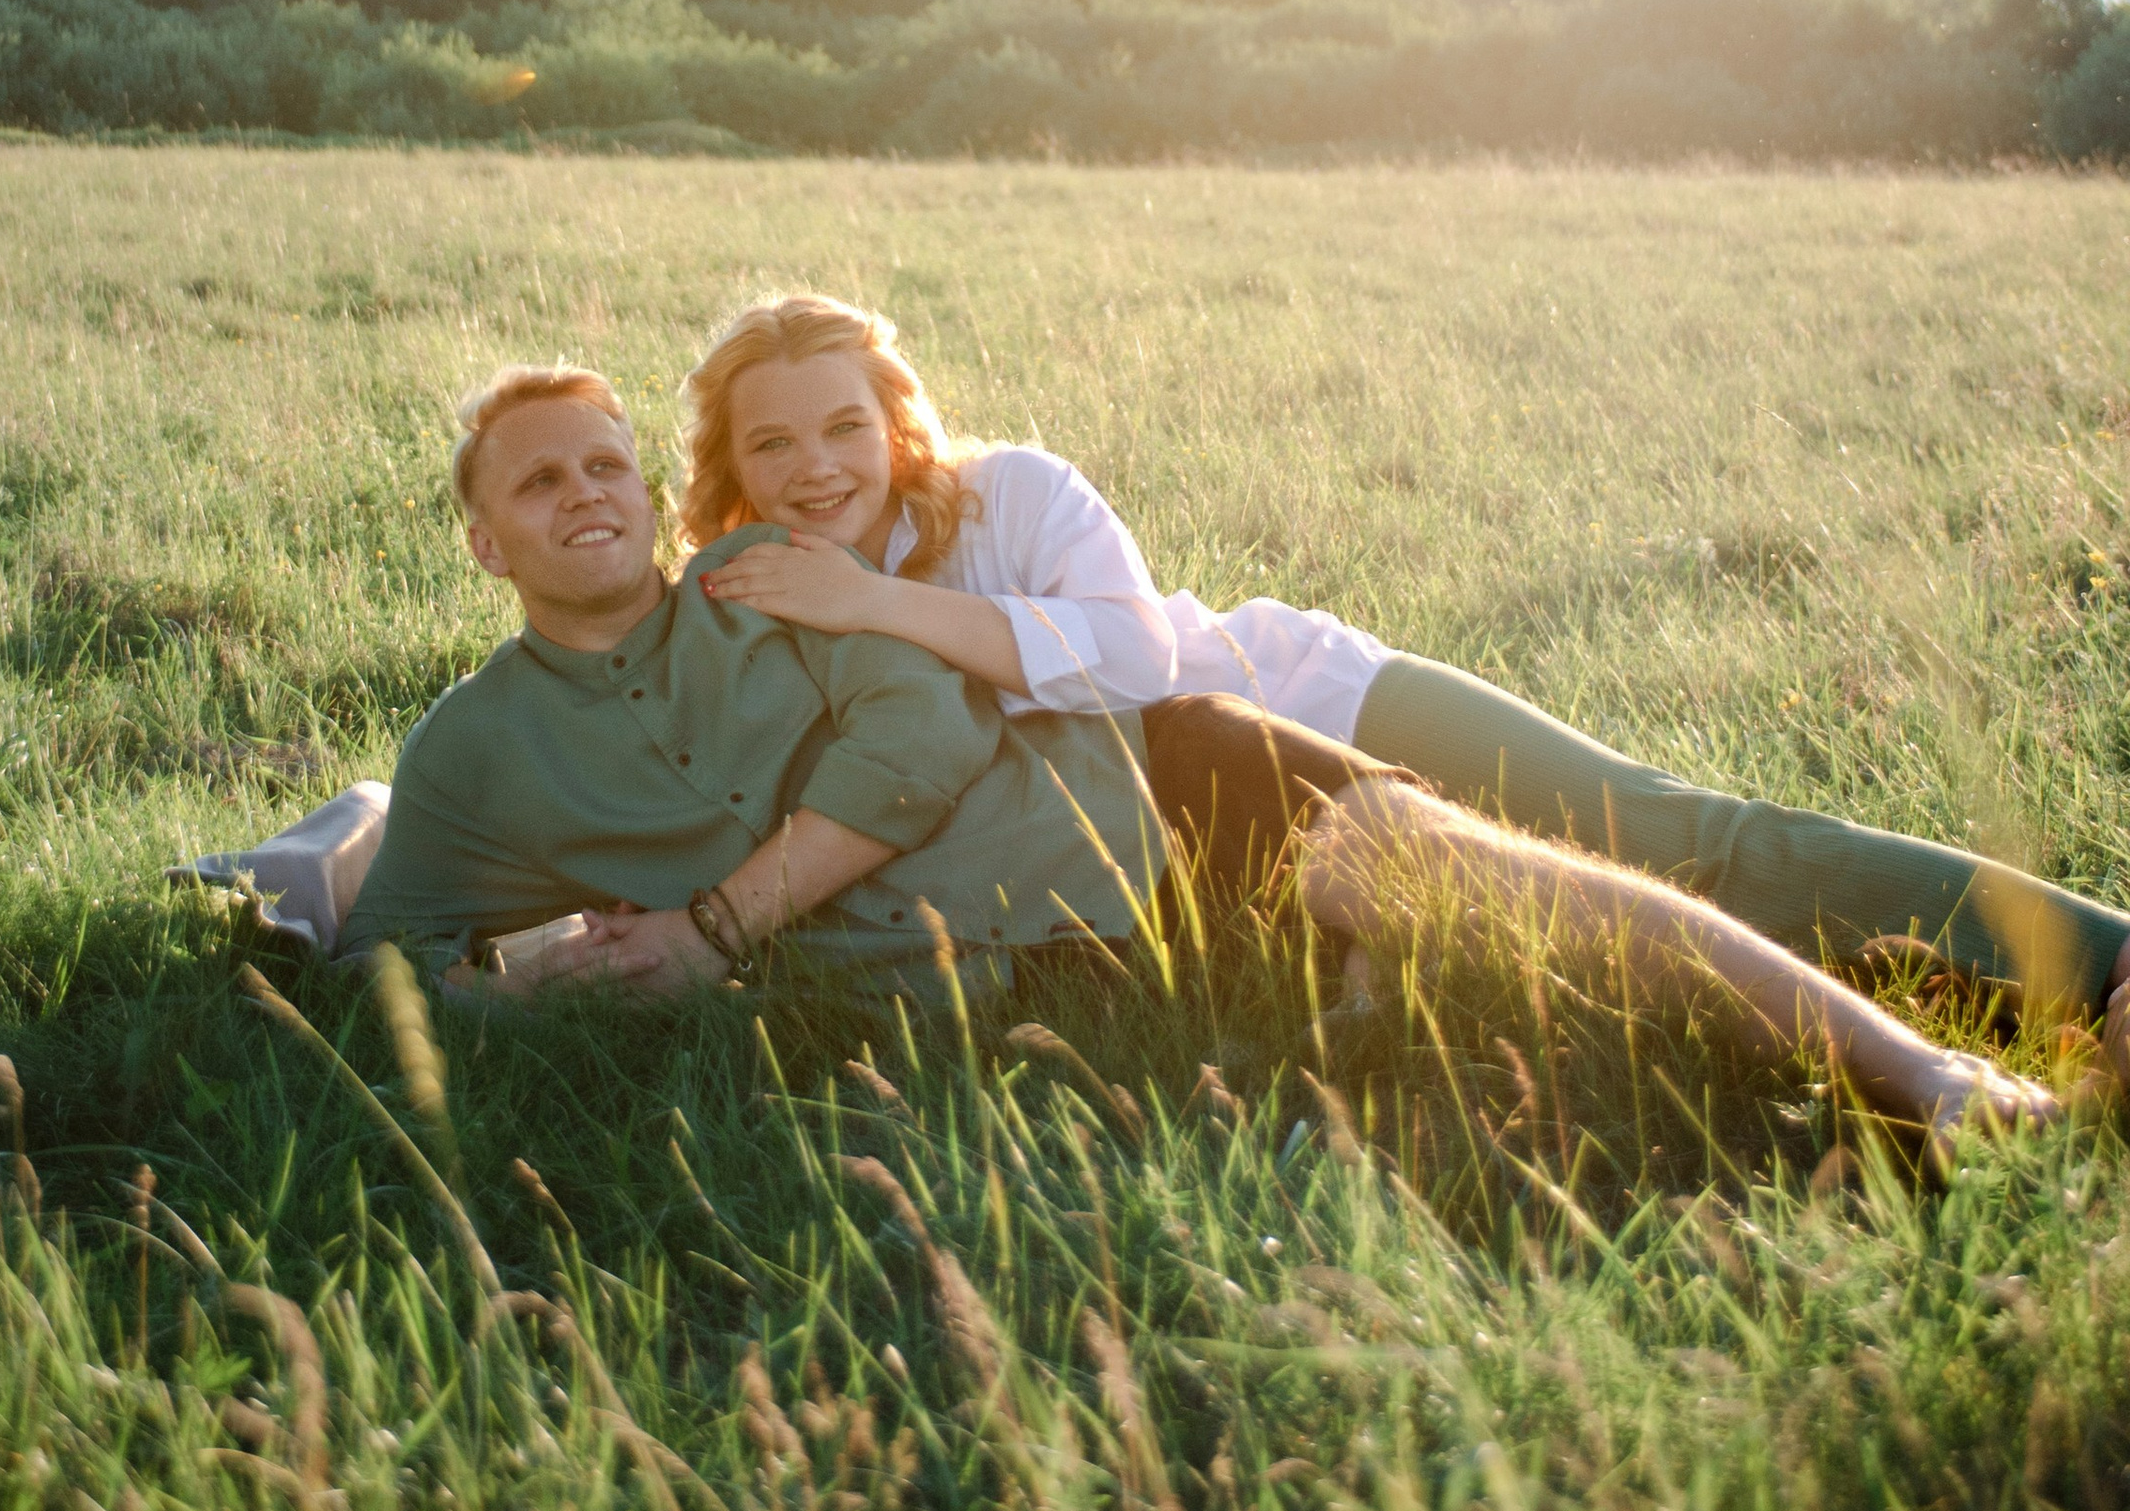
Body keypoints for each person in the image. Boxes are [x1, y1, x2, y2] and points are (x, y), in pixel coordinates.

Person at [341, 358, 2067, 1155]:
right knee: (1522, 988)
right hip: (1087, 941)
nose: (586, 496)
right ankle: (1972, 1005)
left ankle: (1944, 1069)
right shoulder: (479, 752)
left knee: (1570, 860)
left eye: (606, 467)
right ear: (483, 540)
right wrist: (559, 977)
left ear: (656, 491)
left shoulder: (778, 584)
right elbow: (393, 950)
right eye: (540, 482)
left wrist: (710, 929)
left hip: (1181, 759)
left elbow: (935, 720)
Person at [680, 292, 2130, 1072]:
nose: (815, 467)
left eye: (843, 425)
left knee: (1668, 836)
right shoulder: (741, 602)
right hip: (1198, 846)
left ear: (897, 422)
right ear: (729, 465)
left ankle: (2100, 965)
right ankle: (1970, 1027)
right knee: (1572, 966)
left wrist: (876, 601)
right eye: (774, 444)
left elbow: (1123, 655)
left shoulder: (1014, 496)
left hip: (1312, 702)